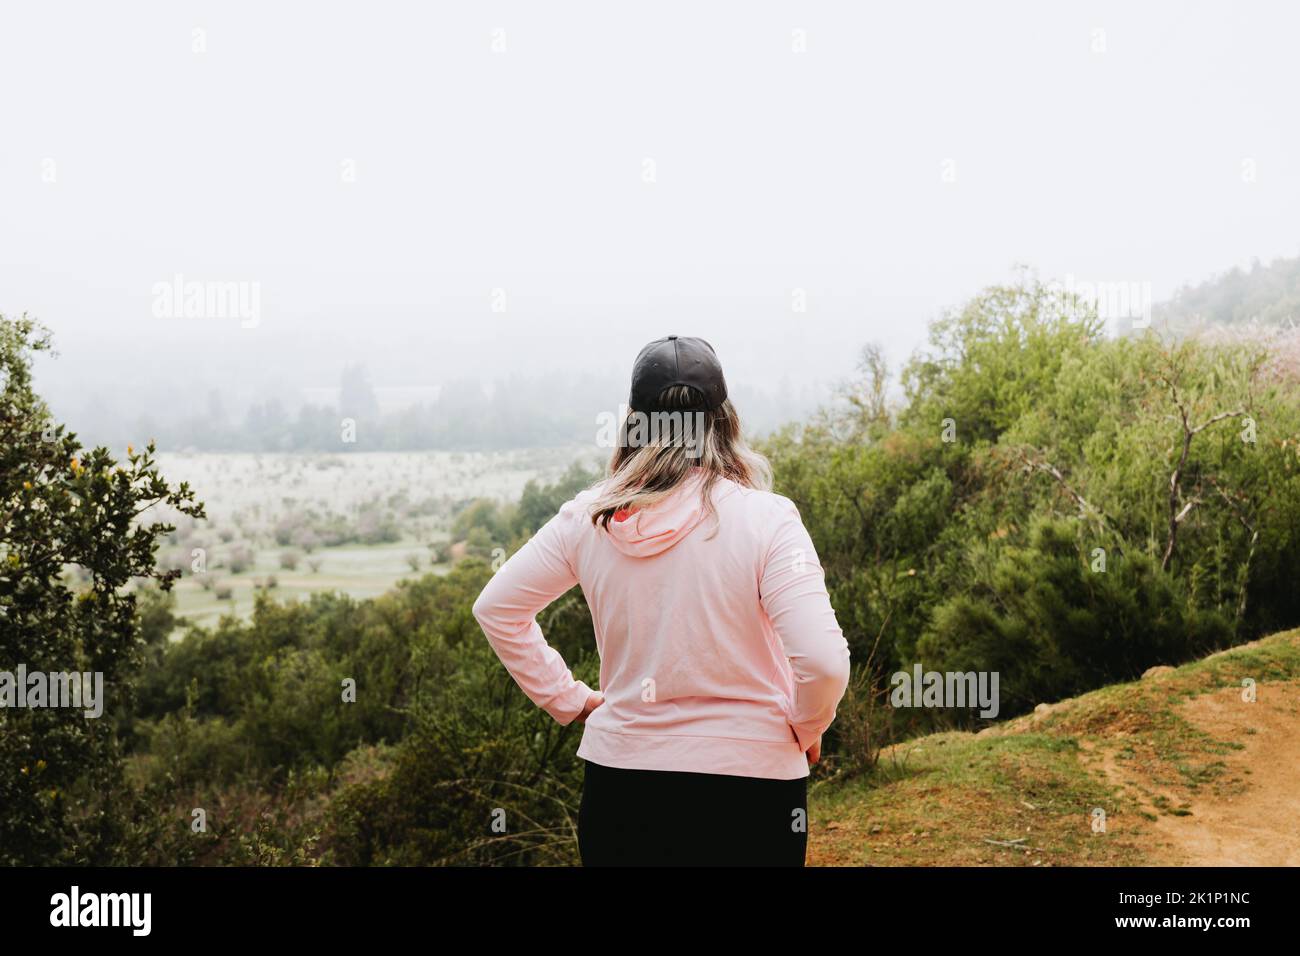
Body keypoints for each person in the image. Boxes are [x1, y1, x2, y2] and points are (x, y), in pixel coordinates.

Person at [472, 335, 851, 866]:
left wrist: (570, 699)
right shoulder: (768, 520)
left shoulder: (587, 520)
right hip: (755, 789)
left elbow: (497, 609)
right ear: (724, 421)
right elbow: (823, 661)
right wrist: (805, 726)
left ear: (634, 423)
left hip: (622, 790)